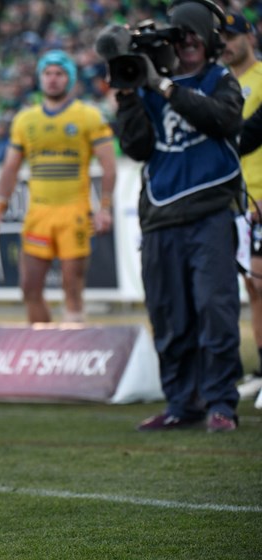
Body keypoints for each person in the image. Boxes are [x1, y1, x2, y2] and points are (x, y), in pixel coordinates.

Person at [113, 0, 243, 432]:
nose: (186, 42)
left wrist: (165, 88)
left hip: (209, 213)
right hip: (161, 217)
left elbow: (223, 120)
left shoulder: (220, 79)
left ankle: (221, 403)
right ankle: (181, 403)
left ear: (209, 40)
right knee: (169, 316)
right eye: (180, 35)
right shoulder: (150, 82)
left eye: (194, 35)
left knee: (215, 311)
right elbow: (137, 148)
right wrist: (130, 93)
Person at [0, 49, 116, 324]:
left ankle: (72, 347)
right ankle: (43, 345)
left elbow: (109, 166)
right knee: (29, 287)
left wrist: (104, 207)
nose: (53, 79)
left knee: (72, 287)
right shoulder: (25, 119)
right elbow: (10, 168)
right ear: (40, 78)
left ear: (69, 79)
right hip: (39, 215)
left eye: (59, 73)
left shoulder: (88, 116)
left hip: (75, 214)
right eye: (47, 73)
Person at [221, 11, 262, 402]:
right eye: (221, 37)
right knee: (251, 287)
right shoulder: (218, 84)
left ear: (250, 35)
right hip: (232, 199)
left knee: (261, 282)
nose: (227, 43)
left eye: (232, 35)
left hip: (259, 198)